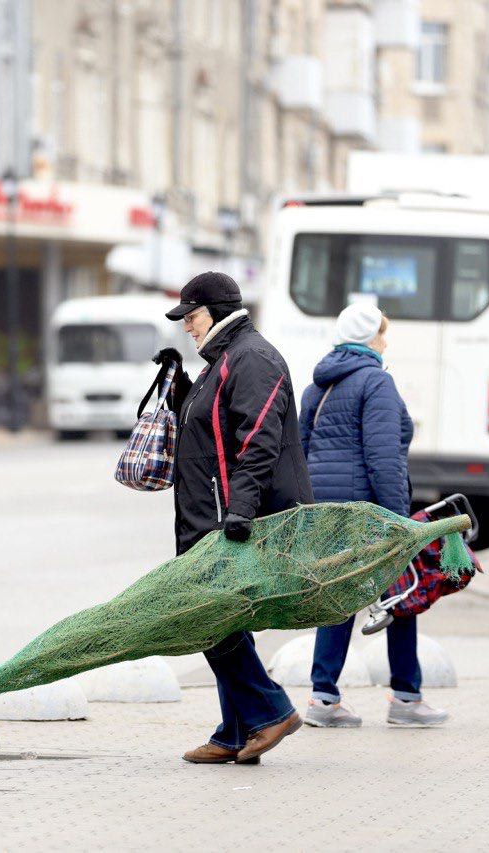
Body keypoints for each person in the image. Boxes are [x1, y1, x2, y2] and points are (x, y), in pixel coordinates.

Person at [156, 271, 313, 765]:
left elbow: (259, 441)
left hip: (237, 518)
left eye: (192, 316)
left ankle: (270, 713)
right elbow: (215, 427)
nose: (187, 326)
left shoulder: (254, 358)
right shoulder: (226, 359)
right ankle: (236, 729)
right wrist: (181, 390)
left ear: (219, 313)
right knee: (223, 618)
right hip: (213, 514)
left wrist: (242, 511)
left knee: (208, 617)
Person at [298, 301, 449, 728]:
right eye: (383, 333)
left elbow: (300, 450)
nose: (386, 342)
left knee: (339, 596)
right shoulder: (375, 384)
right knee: (402, 595)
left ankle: (323, 698)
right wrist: (398, 520)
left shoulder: (317, 388)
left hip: (326, 511)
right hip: (368, 510)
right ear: (369, 338)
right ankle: (406, 697)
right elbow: (383, 457)